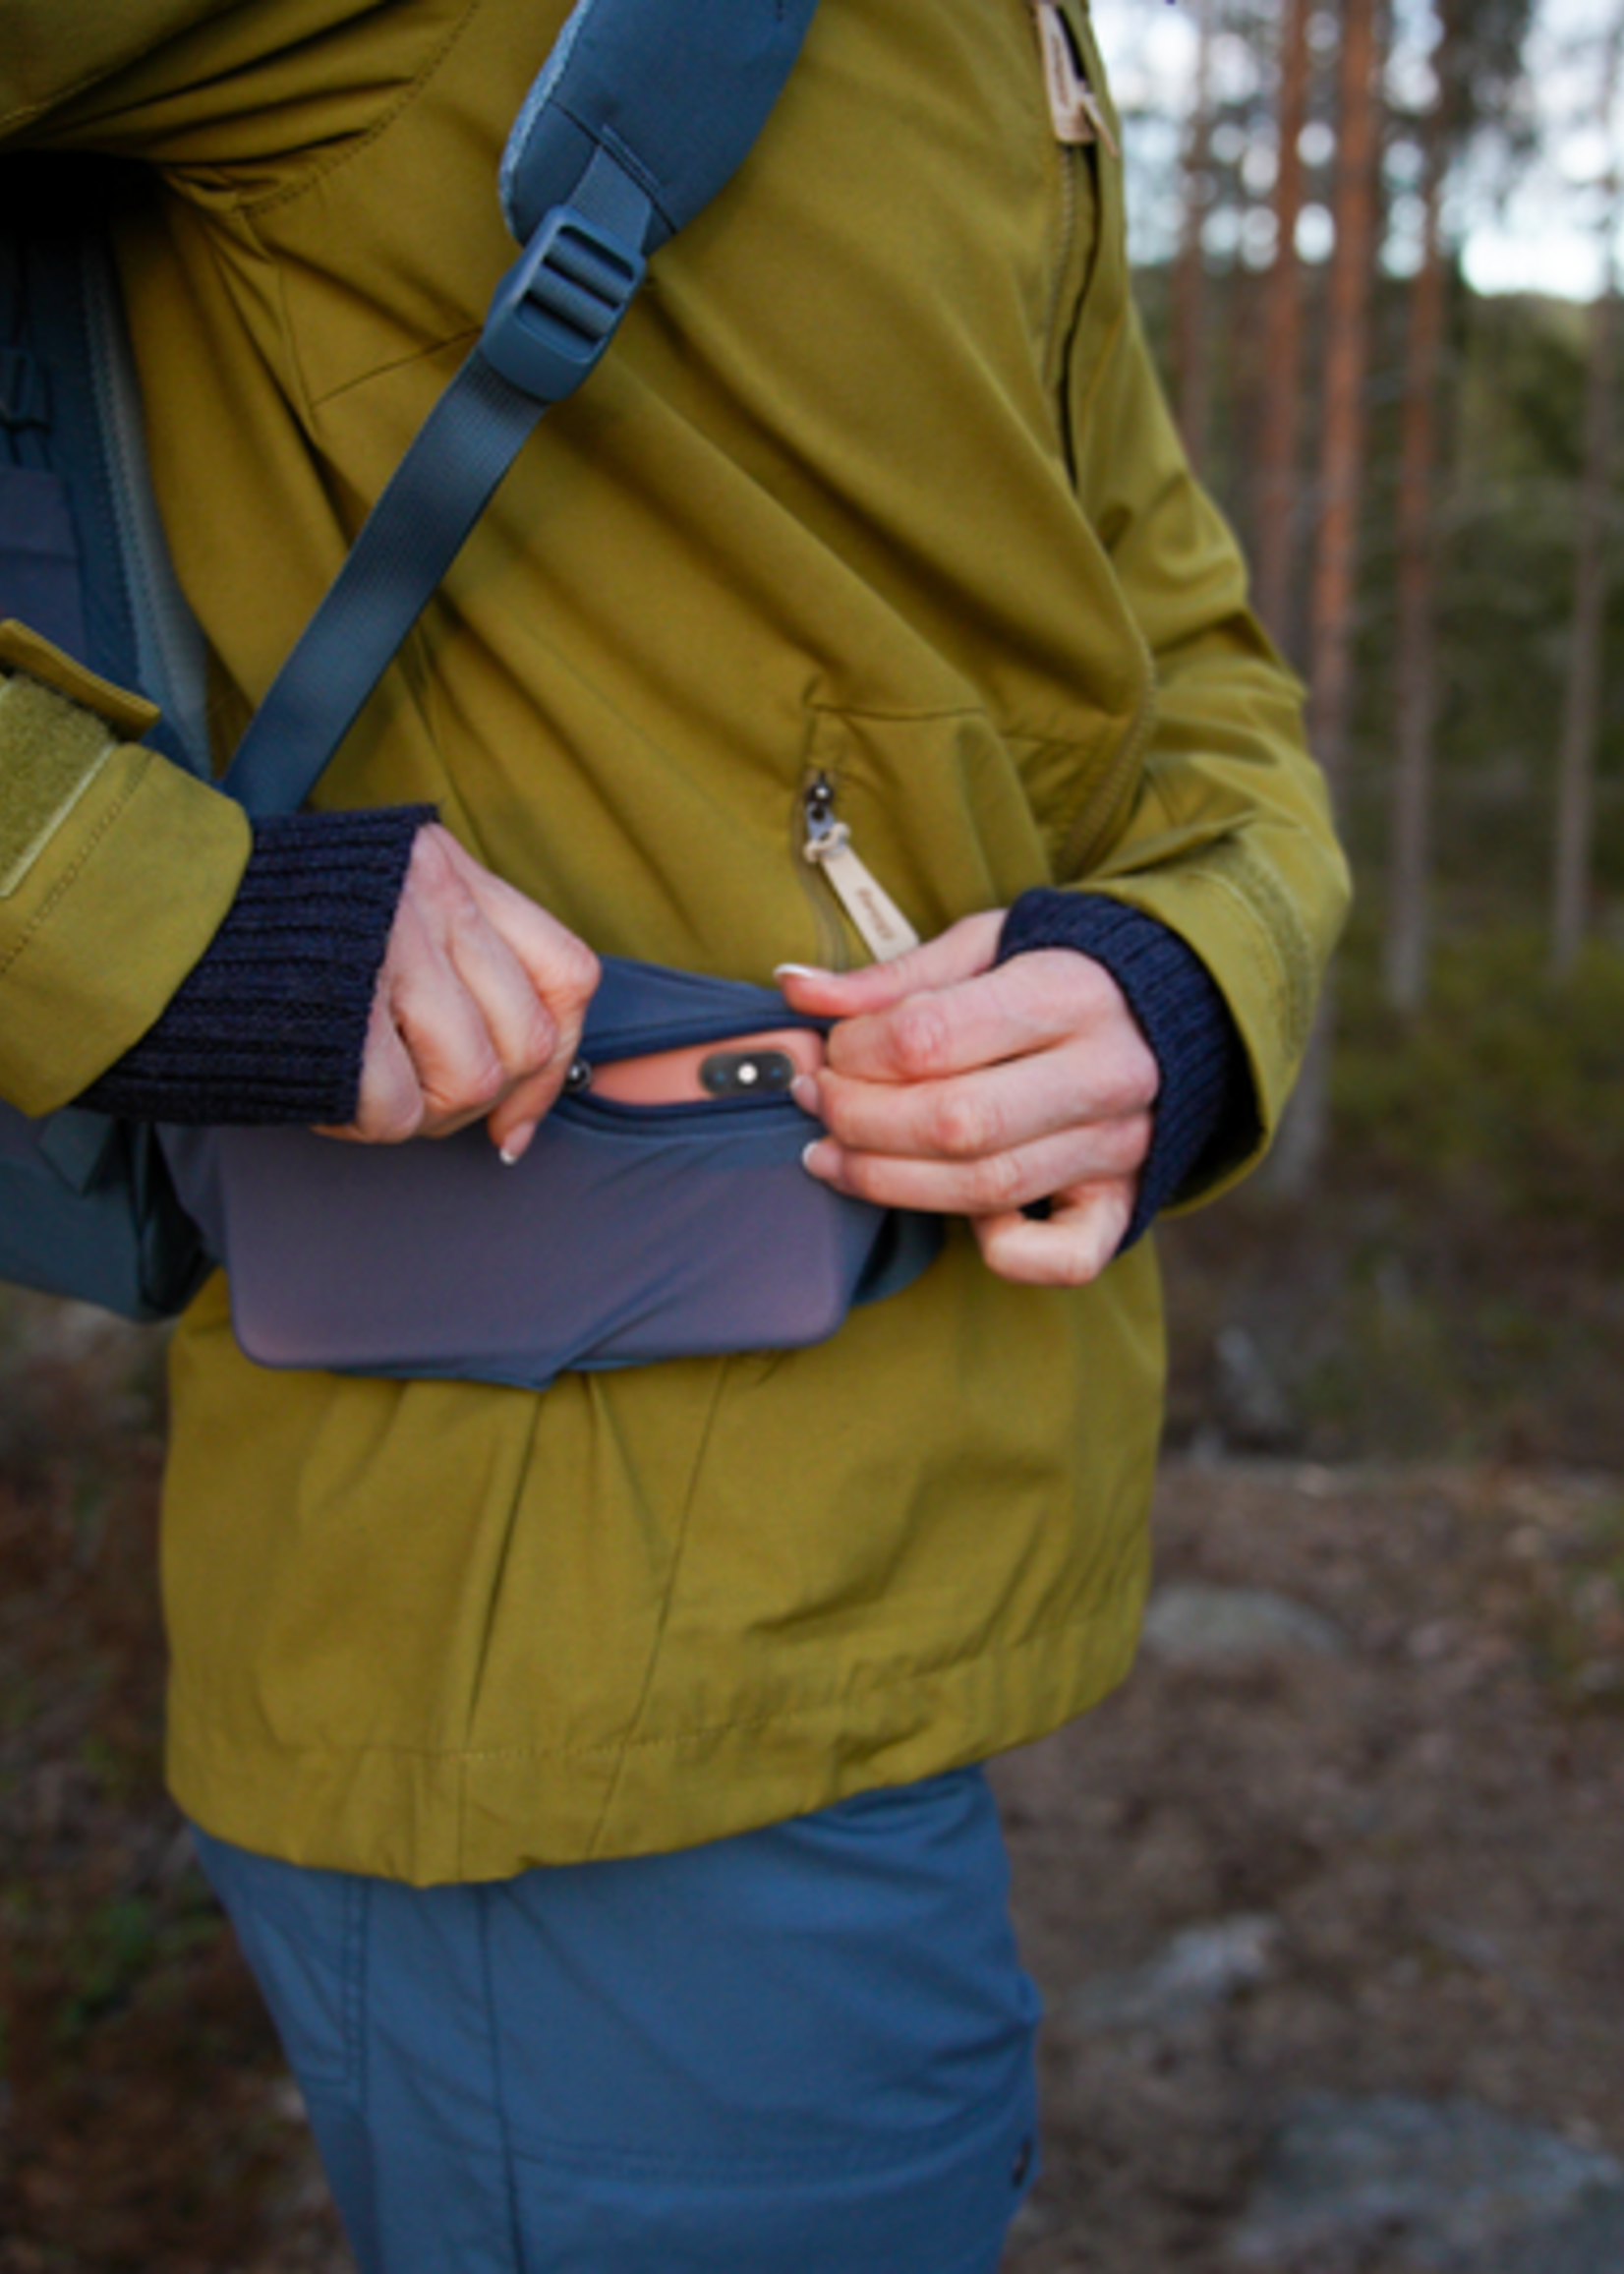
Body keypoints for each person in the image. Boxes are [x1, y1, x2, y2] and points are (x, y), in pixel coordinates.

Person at [0, 2, 1350, 2268]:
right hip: (580, 1658)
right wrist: (164, 917)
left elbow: (1181, 669)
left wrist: (1184, 980)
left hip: (899, 1558)